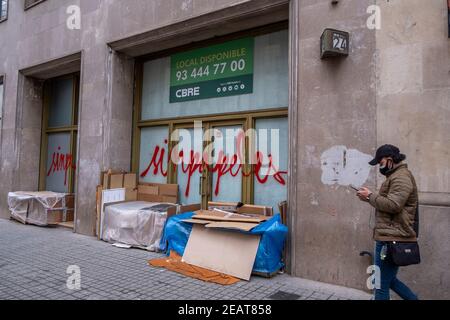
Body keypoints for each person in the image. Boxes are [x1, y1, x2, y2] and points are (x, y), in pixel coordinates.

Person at [356, 144, 419, 300]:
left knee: (380, 285)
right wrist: (369, 198)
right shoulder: (395, 176)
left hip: (392, 240)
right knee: (388, 280)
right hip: (389, 237)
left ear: (390, 159)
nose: (379, 165)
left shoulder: (401, 177)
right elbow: (390, 202)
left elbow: (394, 205)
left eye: (380, 161)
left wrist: (370, 196)